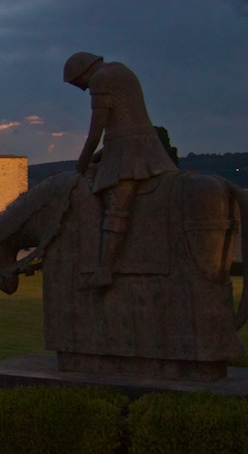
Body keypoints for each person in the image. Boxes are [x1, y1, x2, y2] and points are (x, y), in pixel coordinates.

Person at [64, 52, 179, 289]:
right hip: (139, 144)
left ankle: (105, 269)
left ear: (83, 72)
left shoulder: (100, 79)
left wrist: (82, 164)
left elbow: (96, 131)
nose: (83, 89)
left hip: (130, 152)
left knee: (116, 207)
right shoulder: (122, 70)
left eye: (79, 84)